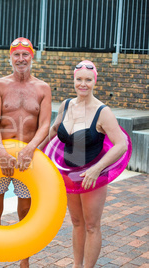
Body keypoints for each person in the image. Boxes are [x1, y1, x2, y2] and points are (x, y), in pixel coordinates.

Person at [41, 60, 127, 268]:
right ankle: (76, 265)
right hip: (70, 175)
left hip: (92, 178)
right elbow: (53, 131)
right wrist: (34, 151)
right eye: (79, 79)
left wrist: (96, 169)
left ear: (94, 81)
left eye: (88, 80)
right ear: (74, 80)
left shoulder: (102, 112)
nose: (83, 84)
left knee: (91, 226)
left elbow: (122, 144)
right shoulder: (67, 105)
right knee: (77, 223)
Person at [0, 37, 52, 268]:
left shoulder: (43, 88)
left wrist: (31, 148)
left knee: (26, 213)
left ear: (32, 56)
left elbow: (44, 125)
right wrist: (2, 152)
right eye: (16, 55)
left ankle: (24, 263)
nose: (21, 59)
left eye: (25, 54)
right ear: (10, 57)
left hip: (28, 159)